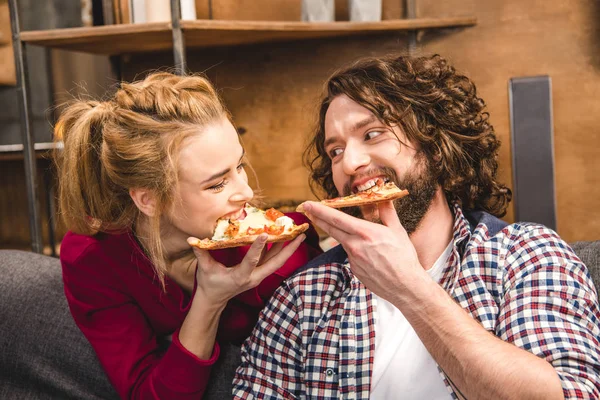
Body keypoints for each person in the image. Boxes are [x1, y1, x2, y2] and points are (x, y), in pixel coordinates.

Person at [233, 54, 600, 399]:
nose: (351, 163)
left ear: (435, 145)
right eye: (336, 151)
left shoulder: (525, 255)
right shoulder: (304, 295)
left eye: (372, 134)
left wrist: (409, 287)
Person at [54, 72, 322, 399]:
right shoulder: (92, 257)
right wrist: (209, 301)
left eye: (239, 166)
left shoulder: (276, 247)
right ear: (148, 199)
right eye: (216, 184)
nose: (247, 191)